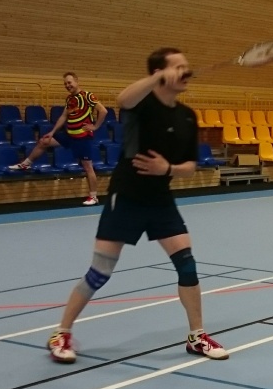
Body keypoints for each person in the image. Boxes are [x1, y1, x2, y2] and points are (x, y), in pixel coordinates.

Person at [46, 48, 229, 364]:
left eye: (186, 66)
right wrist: (157, 79)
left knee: (187, 265)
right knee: (99, 273)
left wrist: (167, 169)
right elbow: (123, 99)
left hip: (160, 199)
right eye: (178, 67)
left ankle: (197, 336)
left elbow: (189, 166)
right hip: (127, 197)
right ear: (159, 73)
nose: (185, 71)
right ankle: (61, 333)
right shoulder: (141, 105)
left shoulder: (187, 116)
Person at [8, 72, 106, 206]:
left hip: (82, 137)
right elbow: (63, 117)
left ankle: (93, 197)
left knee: (88, 167)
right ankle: (26, 164)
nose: (67, 85)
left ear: (76, 81)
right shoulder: (70, 99)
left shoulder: (87, 96)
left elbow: (103, 111)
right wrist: (52, 132)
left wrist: (95, 127)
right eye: (65, 84)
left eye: (69, 82)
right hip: (69, 135)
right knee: (44, 141)